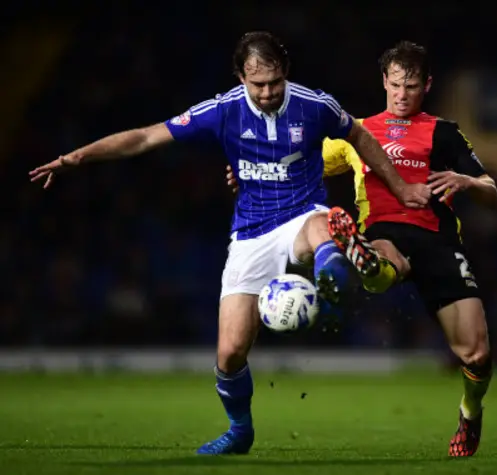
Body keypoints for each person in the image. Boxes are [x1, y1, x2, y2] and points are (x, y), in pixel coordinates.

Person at [28, 32, 430, 455]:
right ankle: (240, 431)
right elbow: (146, 137)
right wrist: (77, 157)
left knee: (326, 224)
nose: (269, 92)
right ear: (241, 77)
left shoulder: (315, 105)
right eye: (258, 84)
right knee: (230, 352)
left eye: (275, 81)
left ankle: (334, 282)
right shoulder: (222, 111)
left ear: (286, 72)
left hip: (302, 214)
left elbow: (360, 136)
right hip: (250, 233)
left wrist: (401, 187)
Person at [226, 40, 497, 457]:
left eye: (410, 86)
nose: (401, 95)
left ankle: (469, 412)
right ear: (383, 83)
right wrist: (246, 174)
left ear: (426, 85)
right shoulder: (357, 133)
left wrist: (467, 182)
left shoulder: (444, 132)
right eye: (394, 85)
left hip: (438, 241)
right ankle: (364, 259)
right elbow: (287, 159)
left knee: (477, 354)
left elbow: (492, 192)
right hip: (383, 232)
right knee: (382, 256)